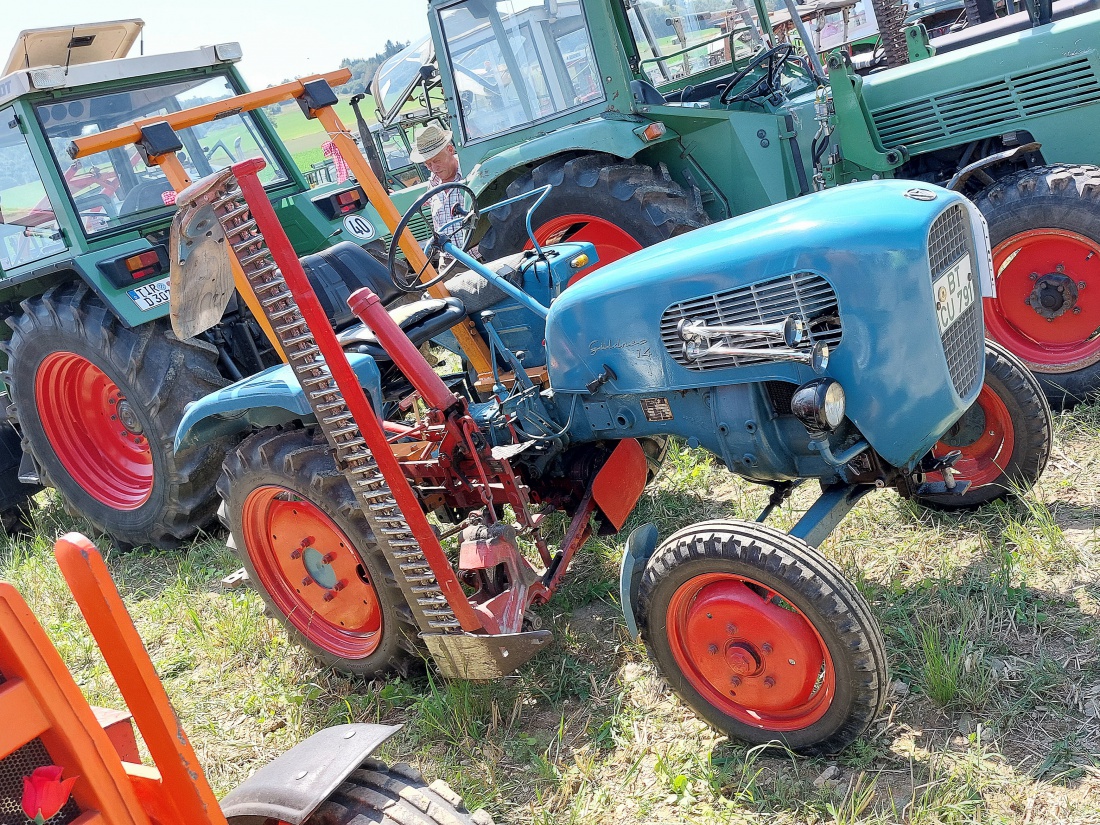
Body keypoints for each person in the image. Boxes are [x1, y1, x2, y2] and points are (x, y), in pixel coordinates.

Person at [410, 124, 468, 247]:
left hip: (478, 257)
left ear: (450, 150)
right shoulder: (433, 183)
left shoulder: (470, 174)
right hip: (448, 260)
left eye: (437, 161)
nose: (434, 168)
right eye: (428, 164)